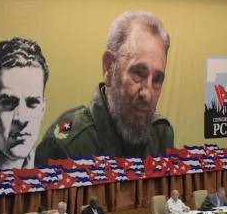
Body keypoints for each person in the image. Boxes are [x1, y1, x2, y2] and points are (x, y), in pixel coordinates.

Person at [35, 10, 173, 161]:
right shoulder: (67, 148)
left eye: (157, 80)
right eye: (138, 74)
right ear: (109, 67)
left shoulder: (161, 135)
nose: (147, 94)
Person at [0, 37, 48, 169]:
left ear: (43, 110)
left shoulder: (51, 172)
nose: (21, 118)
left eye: (32, 103)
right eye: (9, 103)